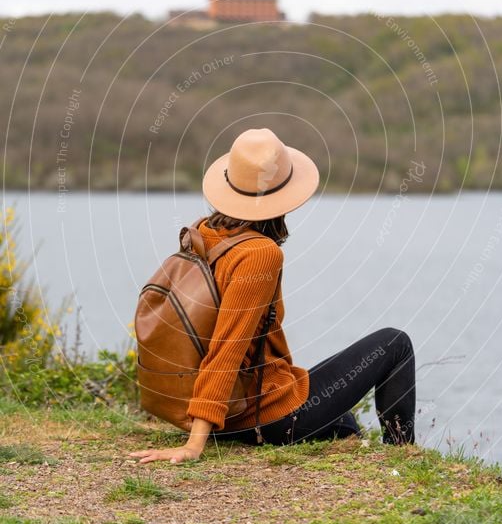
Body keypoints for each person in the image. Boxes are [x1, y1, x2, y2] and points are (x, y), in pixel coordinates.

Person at [129, 128, 416, 466]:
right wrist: (194, 446)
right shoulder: (259, 254)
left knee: (344, 423)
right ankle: (403, 456)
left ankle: (348, 438)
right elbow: (227, 346)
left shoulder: (203, 233)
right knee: (395, 344)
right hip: (265, 419)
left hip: (234, 412)